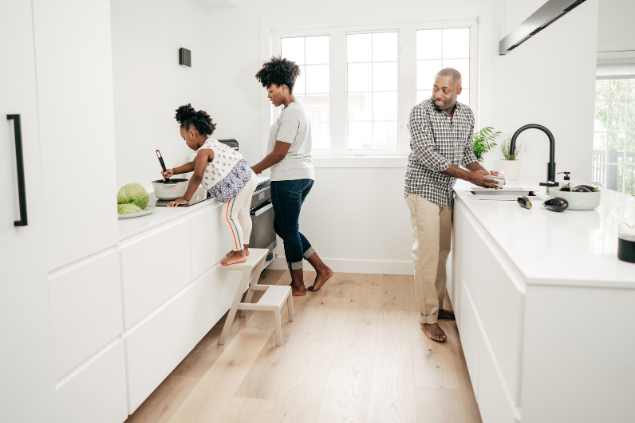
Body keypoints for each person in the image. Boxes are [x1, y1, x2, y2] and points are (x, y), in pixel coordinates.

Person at [405, 68, 499, 342]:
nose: (438, 95)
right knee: (426, 255)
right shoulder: (421, 112)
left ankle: (436, 307)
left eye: (445, 90)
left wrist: (486, 175)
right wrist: (470, 177)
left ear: (459, 90)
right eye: (435, 88)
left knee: (442, 252)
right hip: (422, 189)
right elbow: (427, 155)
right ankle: (427, 318)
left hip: (446, 191)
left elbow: (467, 152)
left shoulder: (467, 115)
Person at [251, 56, 333, 296]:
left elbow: (279, 154)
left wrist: (253, 170)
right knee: (284, 226)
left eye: (271, 90)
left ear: (284, 87)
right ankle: (322, 269)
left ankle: (298, 285)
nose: (269, 95)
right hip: (302, 176)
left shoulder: (291, 113)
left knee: (288, 230)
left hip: (288, 177)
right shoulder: (295, 110)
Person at [162, 104, 258, 266]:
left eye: (184, 138)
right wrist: (173, 170)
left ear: (192, 134)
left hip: (238, 185)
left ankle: (240, 253)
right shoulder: (211, 144)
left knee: (228, 216)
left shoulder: (203, 151)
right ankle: (244, 247)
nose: (185, 142)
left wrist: (185, 198)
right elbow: (193, 165)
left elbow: (197, 175)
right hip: (249, 178)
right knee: (242, 215)